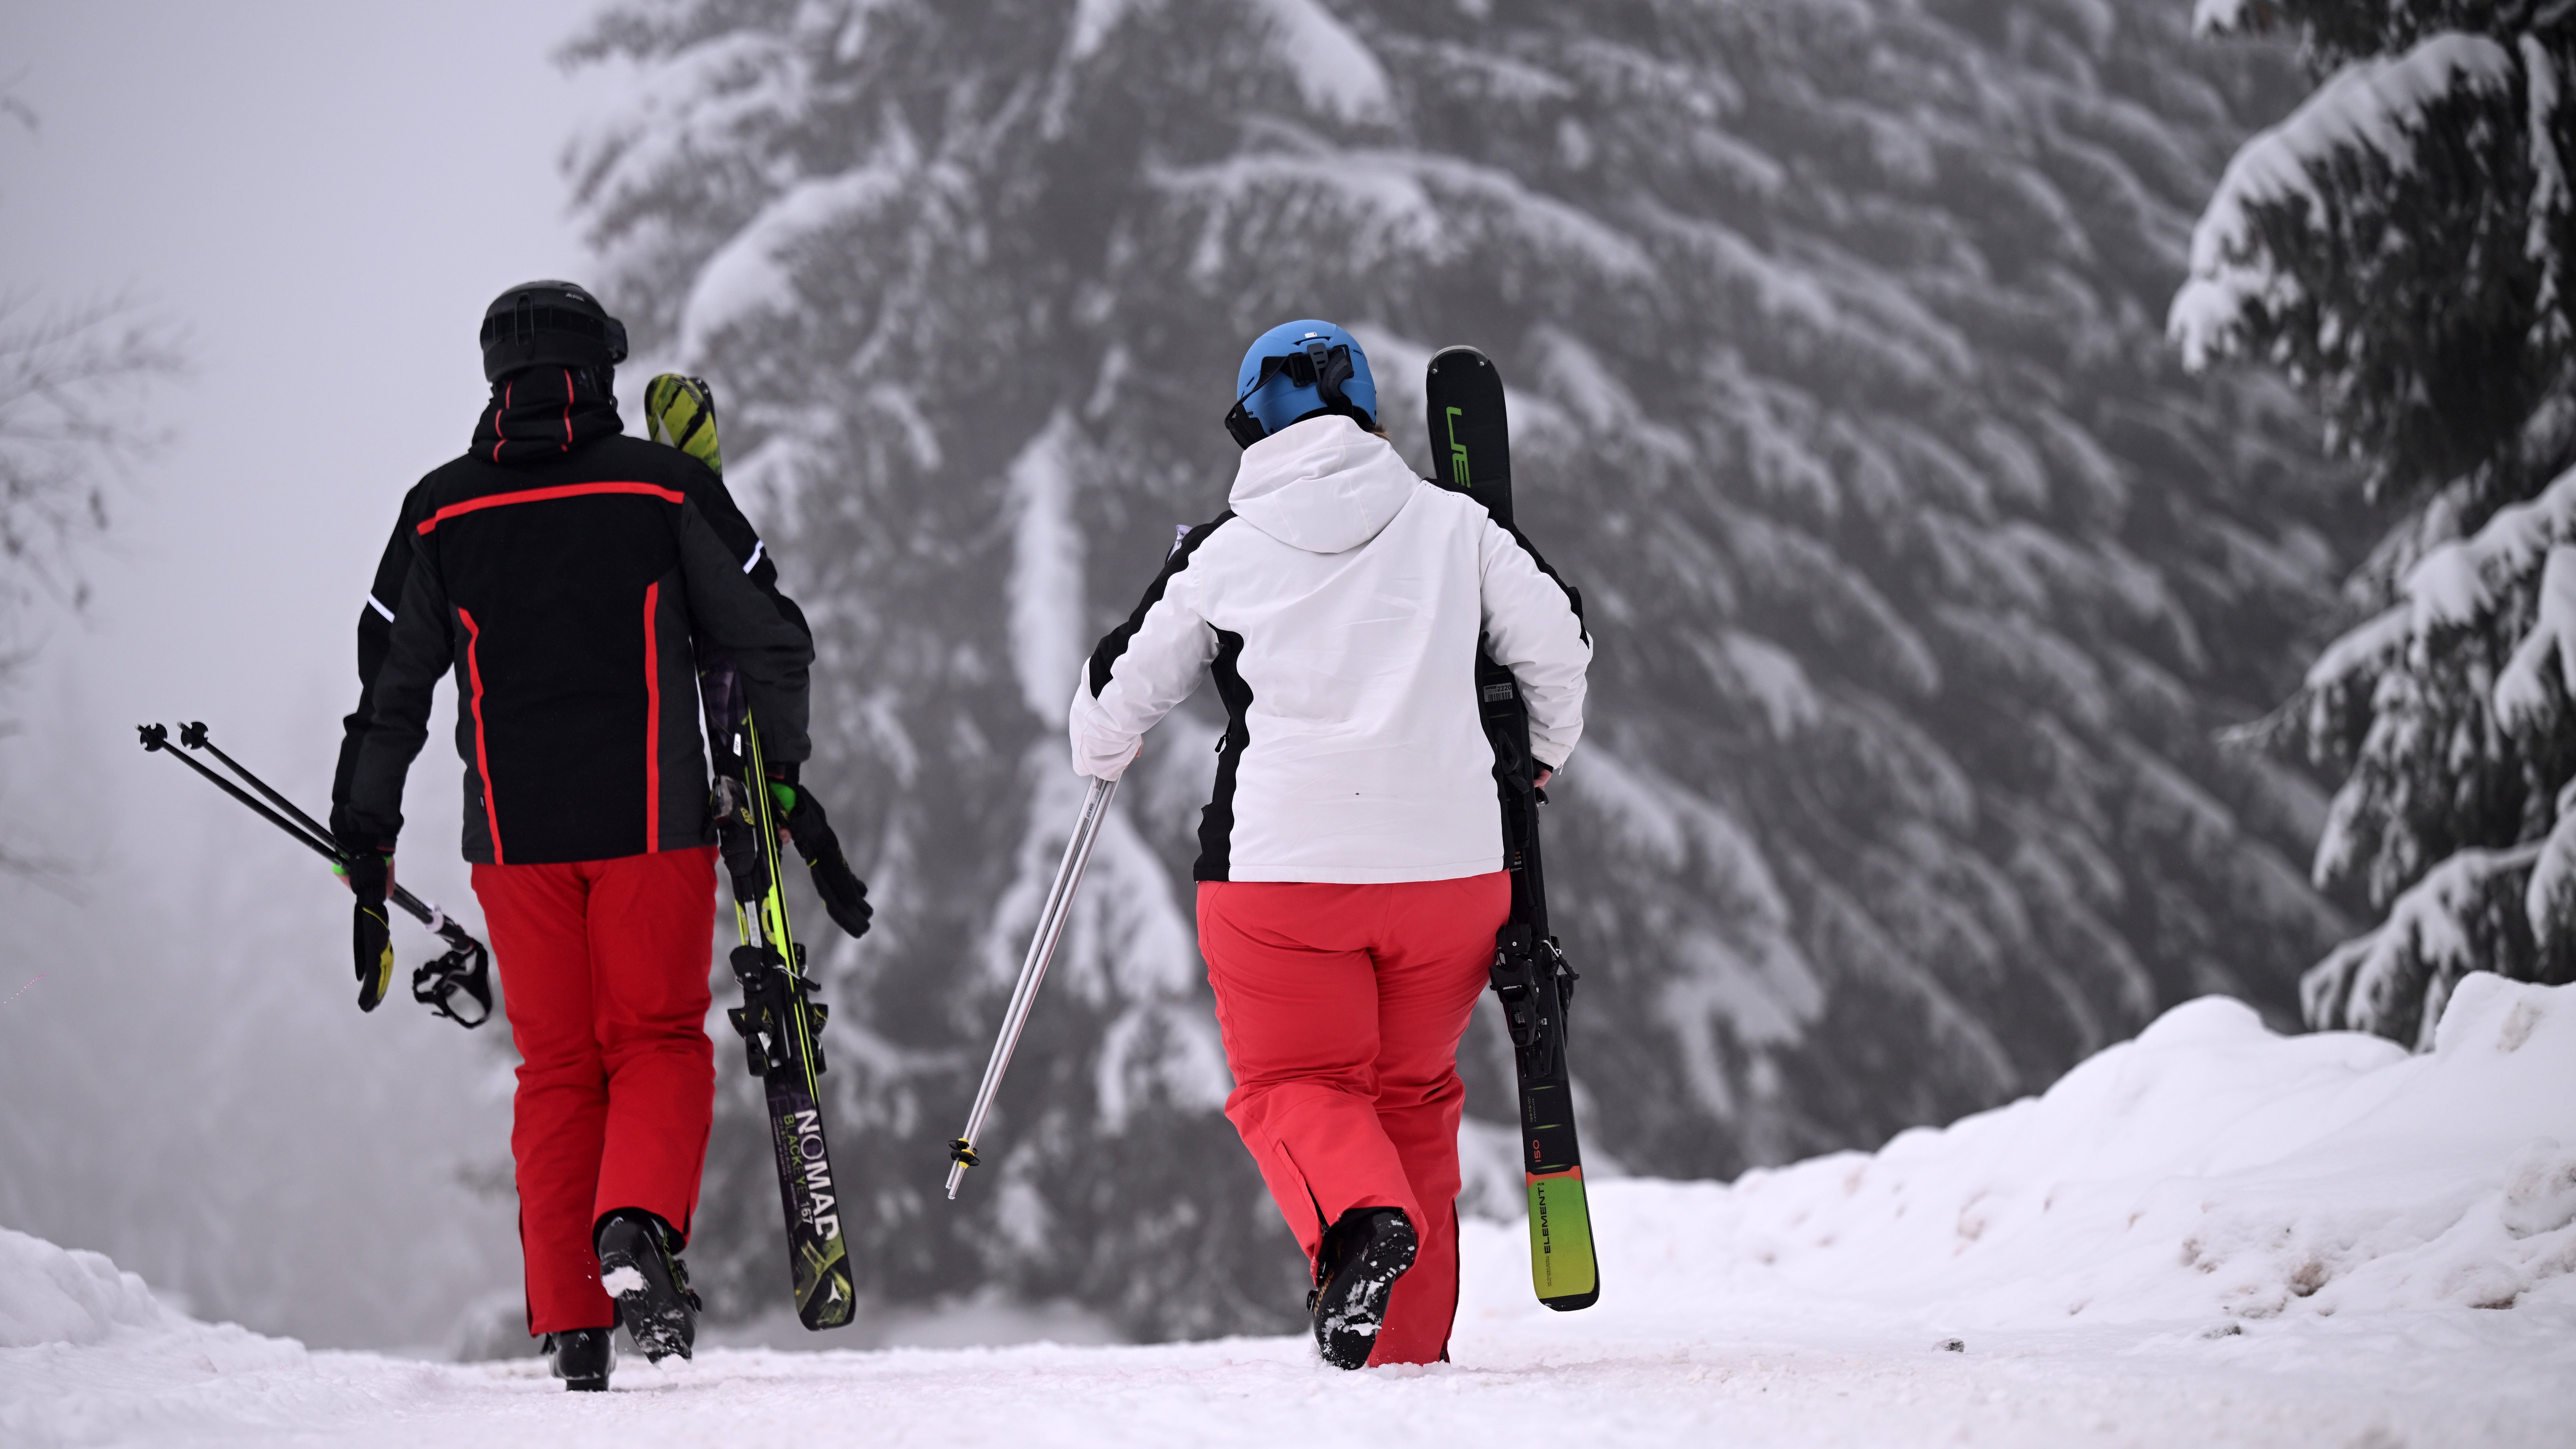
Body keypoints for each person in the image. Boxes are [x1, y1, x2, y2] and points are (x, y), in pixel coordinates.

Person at [330, 281, 829, 1391]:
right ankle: (637, 1231)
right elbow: (772, 639)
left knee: (557, 1069)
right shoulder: (661, 487)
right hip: (652, 826)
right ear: (599, 370)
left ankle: (573, 1324)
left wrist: (365, 843)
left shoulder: (438, 511)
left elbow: (389, 693)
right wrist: (776, 777)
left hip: (512, 844)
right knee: (654, 1040)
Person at [1069, 320, 1591, 1368]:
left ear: (1249, 423)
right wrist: (1535, 762)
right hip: (1452, 876)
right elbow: (1560, 649)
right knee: (1412, 1097)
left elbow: (1107, 711)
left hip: (1283, 881)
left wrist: (1106, 745)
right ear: (1367, 409)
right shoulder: (1460, 525)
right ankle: (1401, 1362)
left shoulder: (1223, 550)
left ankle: (1357, 1222)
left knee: (1295, 1086)